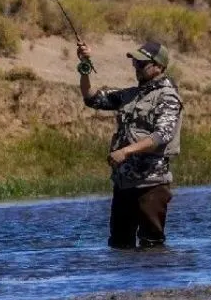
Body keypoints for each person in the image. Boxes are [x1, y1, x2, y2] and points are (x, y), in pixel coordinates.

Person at [77, 41, 184, 249]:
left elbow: (162, 135)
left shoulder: (168, 97)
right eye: (135, 62)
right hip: (124, 183)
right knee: (119, 246)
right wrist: (85, 65)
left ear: (159, 67)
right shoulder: (130, 95)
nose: (136, 66)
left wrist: (125, 151)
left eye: (142, 63)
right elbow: (91, 98)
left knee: (151, 247)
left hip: (152, 184)